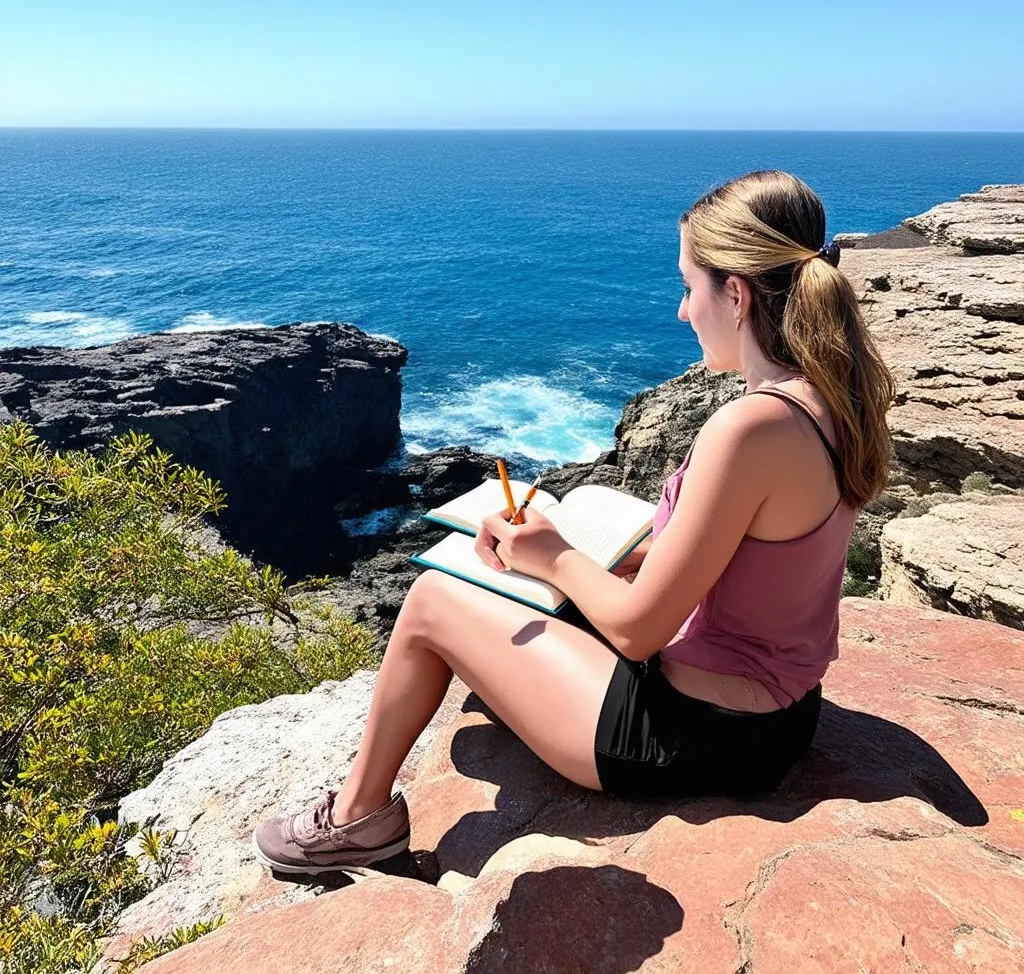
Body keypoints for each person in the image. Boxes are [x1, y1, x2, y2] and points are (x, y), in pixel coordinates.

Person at [252, 169, 896, 875]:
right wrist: (621, 558)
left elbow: (636, 630)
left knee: (435, 600)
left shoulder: (751, 427)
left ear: (736, 295)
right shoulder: (830, 397)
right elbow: (756, 558)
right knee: (509, 614)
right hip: (778, 714)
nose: (683, 312)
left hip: (701, 734)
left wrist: (555, 554)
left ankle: (358, 819)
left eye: (689, 288)